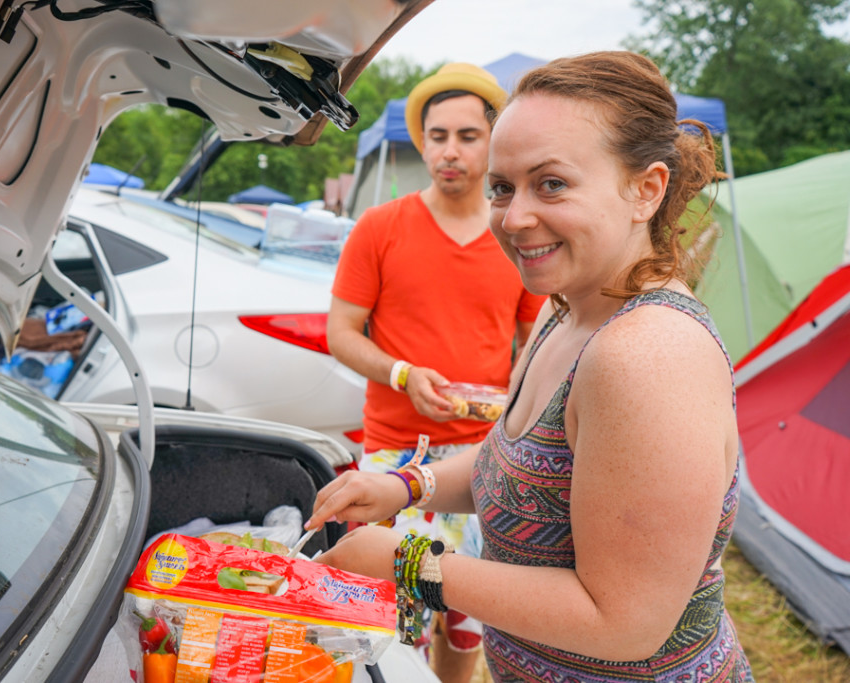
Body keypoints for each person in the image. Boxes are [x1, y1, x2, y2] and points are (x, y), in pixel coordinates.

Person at [309, 51, 754, 682]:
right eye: (502, 187)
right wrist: (410, 485)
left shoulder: (648, 356)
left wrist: (406, 561)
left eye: (551, 184)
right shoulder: (564, 309)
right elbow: (511, 462)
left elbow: (624, 622)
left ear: (646, 190)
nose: (514, 218)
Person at [326, 62, 546, 683]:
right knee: (394, 624)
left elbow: (532, 338)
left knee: (467, 617)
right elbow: (341, 332)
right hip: (396, 455)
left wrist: (513, 399)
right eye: (438, 136)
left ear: (492, 141)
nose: (450, 151)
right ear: (422, 142)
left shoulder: (517, 234)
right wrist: (401, 374)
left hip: (481, 456)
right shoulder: (380, 227)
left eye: (467, 136)